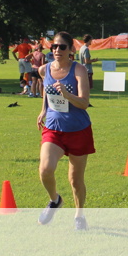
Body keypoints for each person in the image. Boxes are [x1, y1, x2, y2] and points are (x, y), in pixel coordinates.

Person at [37, 32, 94, 230]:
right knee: (45, 169)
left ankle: (79, 216)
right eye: (54, 46)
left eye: (62, 47)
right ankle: (55, 200)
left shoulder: (79, 70)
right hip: (53, 128)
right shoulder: (44, 69)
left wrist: (68, 94)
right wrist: (43, 110)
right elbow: (46, 90)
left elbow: (84, 103)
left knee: (75, 180)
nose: (57, 50)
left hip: (78, 129)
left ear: (71, 49)